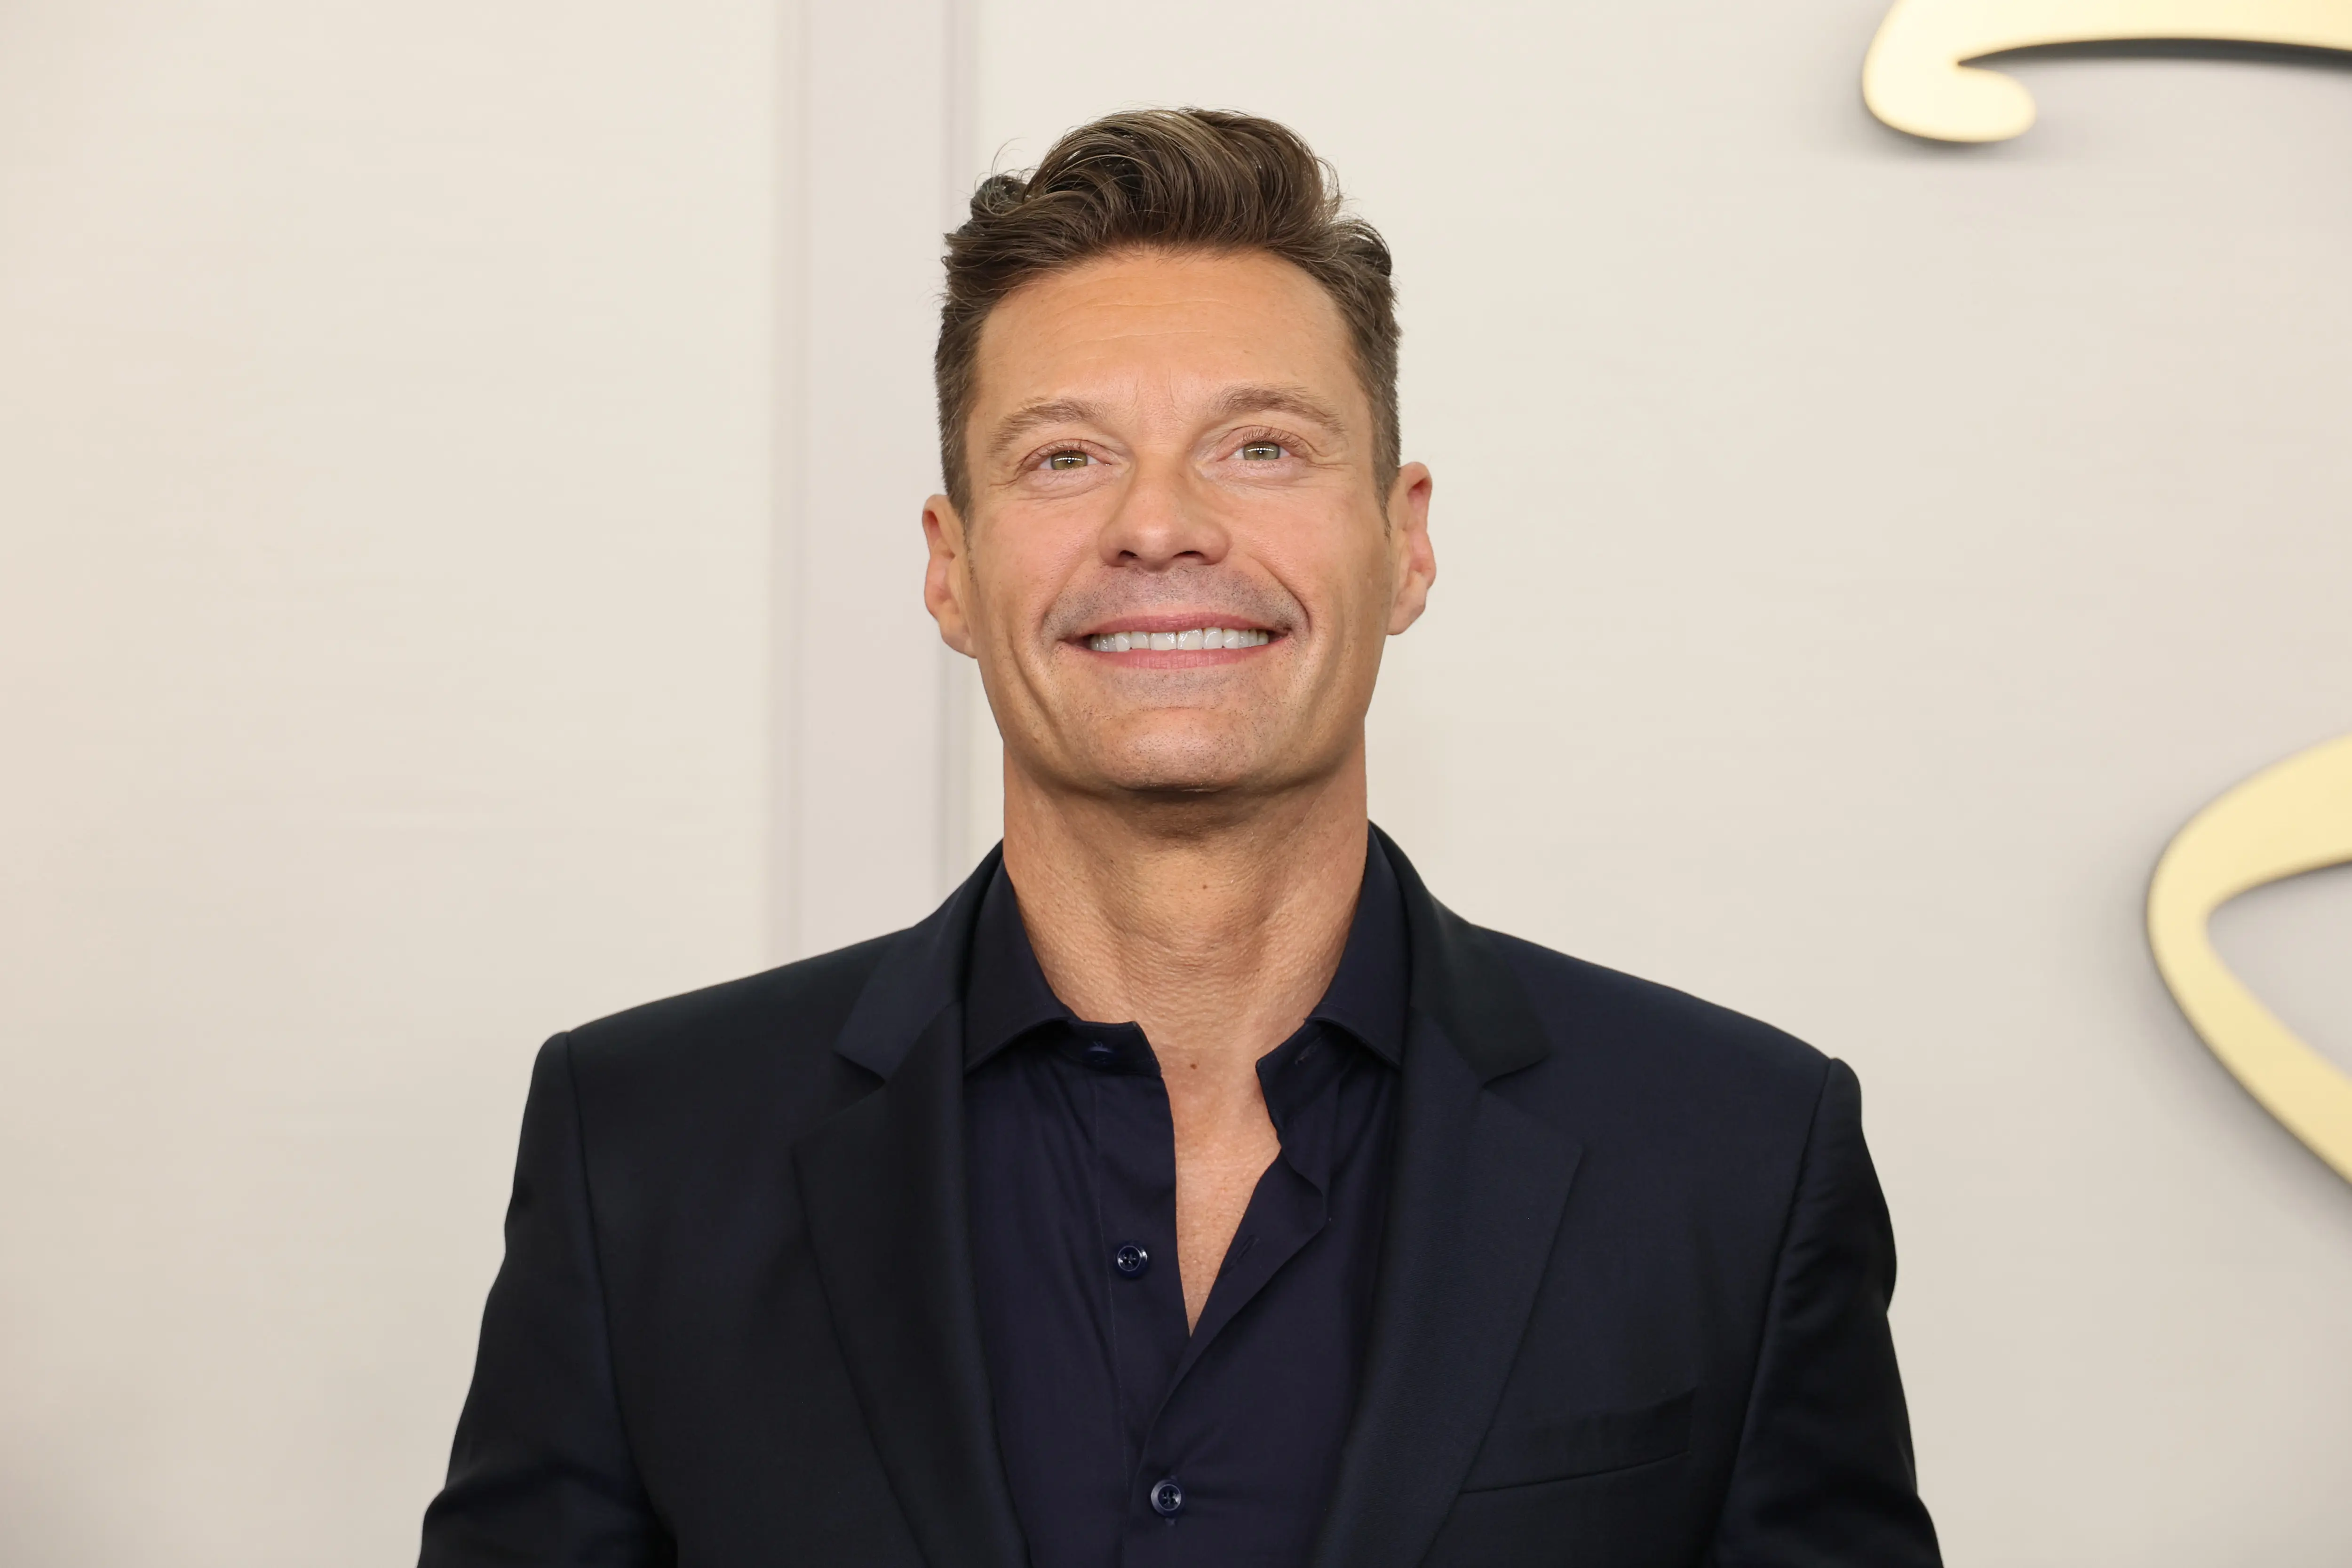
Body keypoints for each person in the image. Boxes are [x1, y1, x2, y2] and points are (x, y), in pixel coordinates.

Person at [420, 109, 1941, 1568]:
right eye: (1065, 458)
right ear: (949, 570)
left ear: (1405, 539)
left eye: (1262, 447)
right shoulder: (642, 1152)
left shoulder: (1735, 1157)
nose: (1160, 525)